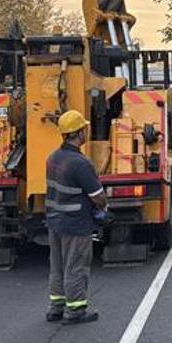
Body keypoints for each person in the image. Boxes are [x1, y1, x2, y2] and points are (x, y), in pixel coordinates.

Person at [45, 110, 107, 325]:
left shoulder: (52, 158)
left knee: (58, 266)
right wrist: (103, 207)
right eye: (85, 128)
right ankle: (76, 310)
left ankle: (56, 307)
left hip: (54, 221)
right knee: (75, 266)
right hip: (76, 223)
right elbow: (98, 196)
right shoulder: (80, 163)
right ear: (80, 133)